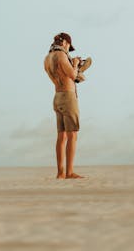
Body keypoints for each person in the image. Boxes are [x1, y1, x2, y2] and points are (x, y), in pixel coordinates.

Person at [44, 32, 90, 179]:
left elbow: (59, 75)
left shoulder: (47, 58)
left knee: (61, 136)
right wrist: (76, 64)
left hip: (57, 96)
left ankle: (60, 173)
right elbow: (71, 74)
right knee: (72, 135)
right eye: (69, 46)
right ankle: (69, 172)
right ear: (65, 43)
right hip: (68, 97)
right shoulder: (62, 56)